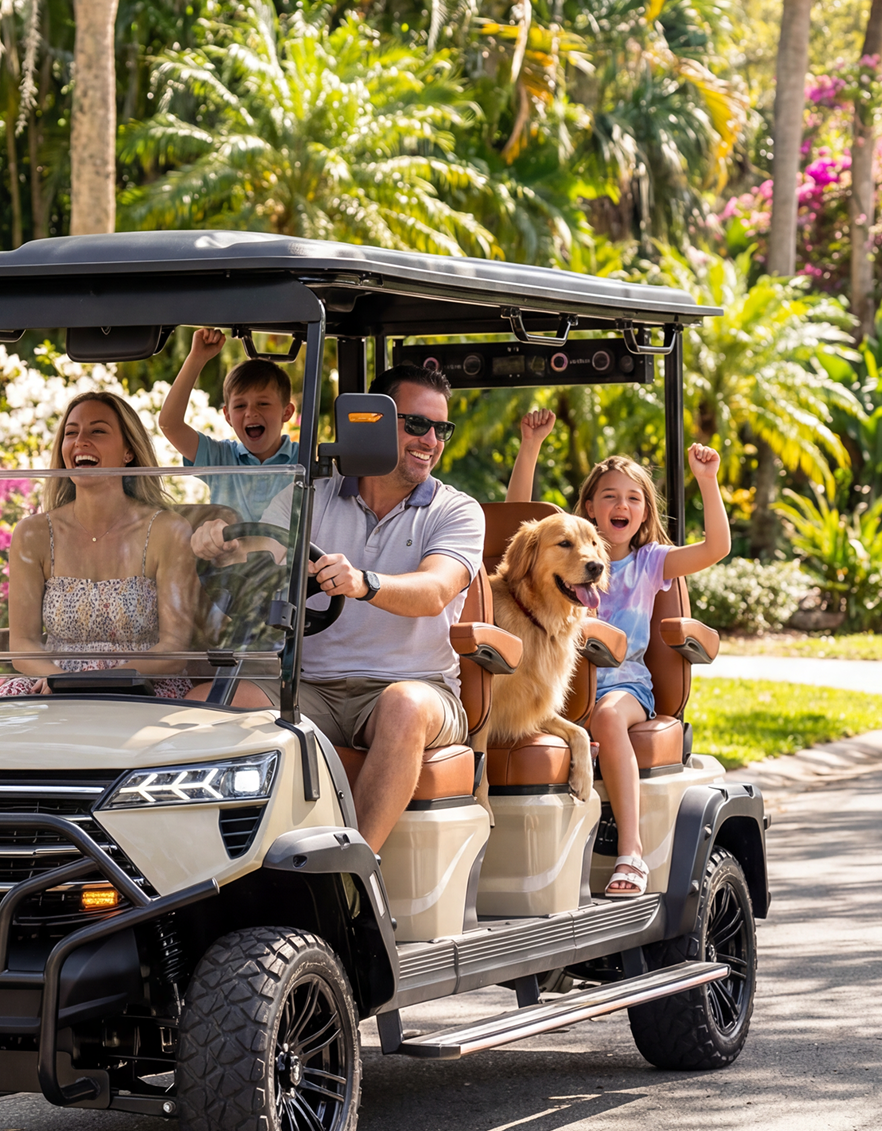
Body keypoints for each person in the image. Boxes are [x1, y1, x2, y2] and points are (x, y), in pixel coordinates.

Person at [508, 409, 730, 896]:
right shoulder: (563, 553)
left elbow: (715, 548)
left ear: (645, 514)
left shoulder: (652, 562)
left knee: (607, 717)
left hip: (625, 686)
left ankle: (630, 853)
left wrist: (707, 481)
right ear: (589, 507)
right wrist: (530, 447)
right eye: (609, 496)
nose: (621, 504)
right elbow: (517, 522)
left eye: (633, 498)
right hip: (563, 686)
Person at [301, 361, 484, 854]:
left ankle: (351, 878)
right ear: (377, 423)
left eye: (441, 429)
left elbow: (435, 590)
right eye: (417, 424)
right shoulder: (311, 496)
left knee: (403, 706)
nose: (431, 440)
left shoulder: (456, 510)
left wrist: (364, 583)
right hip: (310, 688)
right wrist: (218, 541)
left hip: (419, 687)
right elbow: (256, 560)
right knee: (224, 702)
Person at [0, 393, 198, 698]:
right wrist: (62, 680)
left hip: (141, 687)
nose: (81, 441)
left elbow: (174, 649)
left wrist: (103, 681)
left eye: (97, 431)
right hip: (54, 685)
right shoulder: (32, 534)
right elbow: (22, 644)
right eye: (71, 433)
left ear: (128, 452)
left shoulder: (168, 531)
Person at [159, 329, 300, 523]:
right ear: (227, 416)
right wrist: (197, 358)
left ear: (287, 412)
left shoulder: (303, 460)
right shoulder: (220, 458)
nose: (250, 412)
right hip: (229, 545)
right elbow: (170, 424)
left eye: (263, 403)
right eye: (240, 406)